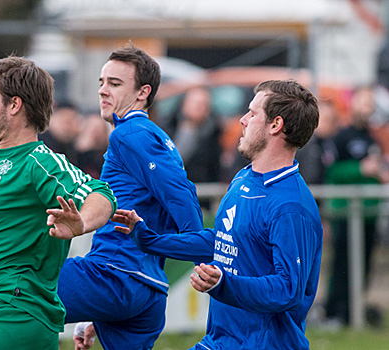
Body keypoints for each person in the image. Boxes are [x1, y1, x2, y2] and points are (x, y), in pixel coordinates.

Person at [114, 79, 323, 349]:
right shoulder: (243, 179)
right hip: (220, 340)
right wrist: (148, 240)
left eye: (252, 113)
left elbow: (287, 290)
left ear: (275, 125)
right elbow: (223, 241)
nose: (243, 120)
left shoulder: (291, 206)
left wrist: (225, 283)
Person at [0, 56, 116, 349]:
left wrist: (82, 222)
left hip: (11, 312)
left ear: (14, 105)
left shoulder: (39, 163)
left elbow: (101, 194)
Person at [55, 45, 204, 350]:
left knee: (13, 290)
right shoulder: (151, 134)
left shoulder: (130, 133)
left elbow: (181, 193)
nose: (103, 91)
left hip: (116, 275)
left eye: (115, 83)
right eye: (101, 82)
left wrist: (198, 246)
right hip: (143, 288)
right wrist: (94, 311)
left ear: (142, 92)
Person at [323, 85, 388, 326]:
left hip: (369, 213)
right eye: (364, 101)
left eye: (371, 103)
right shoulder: (341, 137)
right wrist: (361, 170)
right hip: (345, 213)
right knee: (342, 265)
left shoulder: (373, 137)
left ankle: (353, 313)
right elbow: (332, 171)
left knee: (364, 265)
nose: (368, 107)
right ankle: (334, 312)